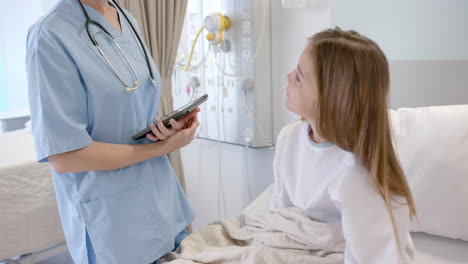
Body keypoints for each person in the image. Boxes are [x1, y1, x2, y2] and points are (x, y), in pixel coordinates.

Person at [25, 0, 198, 263]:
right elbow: (65, 157)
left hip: (162, 202)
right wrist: (162, 147)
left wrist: (166, 130)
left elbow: (128, 108)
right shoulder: (50, 34)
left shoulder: (126, 18)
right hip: (113, 223)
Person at [271, 28, 417, 263]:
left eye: (299, 77)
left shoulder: (357, 175)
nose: (288, 77)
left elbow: (377, 255)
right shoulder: (289, 138)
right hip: (302, 245)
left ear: (332, 97)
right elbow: (282, 218)